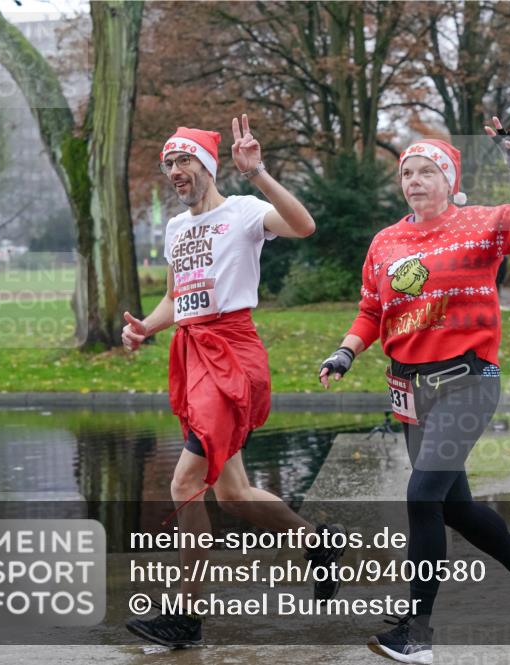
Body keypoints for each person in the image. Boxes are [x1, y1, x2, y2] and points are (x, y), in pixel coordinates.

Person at [318, 118, 510, 664]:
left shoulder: (482, 225)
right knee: (453, 506)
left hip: (468, 382)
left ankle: (417, 634)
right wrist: (346, 351)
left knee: (421, 495)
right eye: (408, 172)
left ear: (449, 180)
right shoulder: (386, 242)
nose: (415, 180)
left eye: (427, 171)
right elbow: (371, 310)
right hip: (410, 392)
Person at [121, 117, 345, 648]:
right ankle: (317, 542)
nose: (176, 171)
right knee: (235, 494)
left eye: (185, 161)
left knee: (183, 483)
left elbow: (304, 225)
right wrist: (146, 328)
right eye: (169, 163)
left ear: (208, 166)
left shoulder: (243, 212)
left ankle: (186, 615)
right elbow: (180, 296)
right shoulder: (176, 229)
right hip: (193, 353)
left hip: (233, 358)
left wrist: (260, 173)